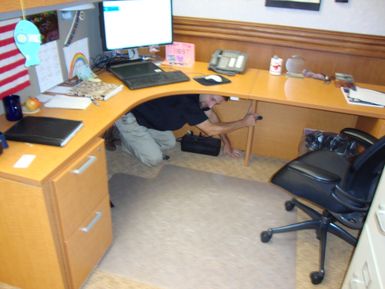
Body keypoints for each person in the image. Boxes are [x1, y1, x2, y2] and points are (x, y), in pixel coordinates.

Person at [115, 93, 260, 166]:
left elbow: (213, 118)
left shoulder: (201, 98)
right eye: (213, 99)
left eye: (215, 103)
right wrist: (243, 122)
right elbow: (210, 129)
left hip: (149, 121)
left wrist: (227, 144)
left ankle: (137, 140)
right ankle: (122, 135)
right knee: (154, 159)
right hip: (131, 118)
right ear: (207, 90)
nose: (210, 105)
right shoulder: (187, 101)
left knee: (170, 143)